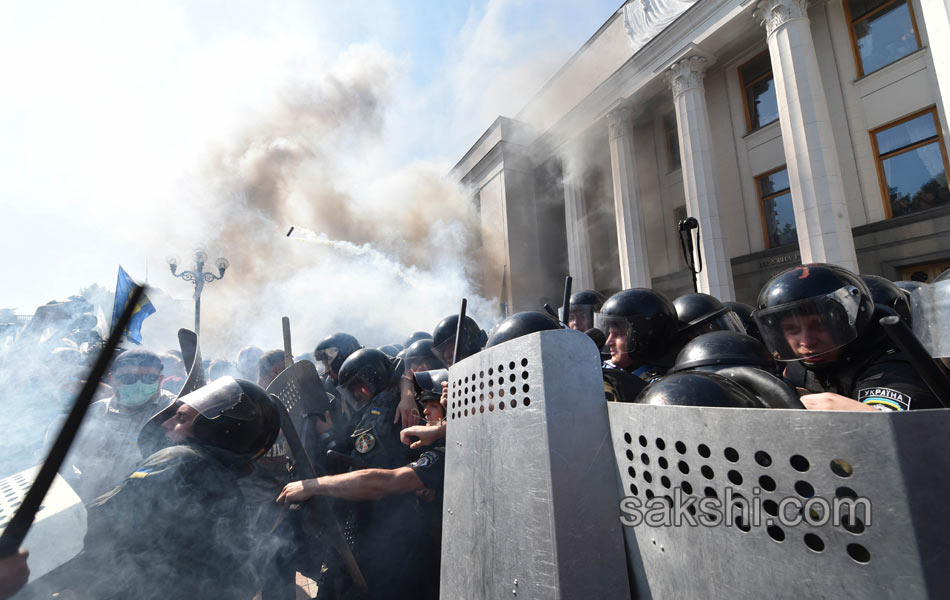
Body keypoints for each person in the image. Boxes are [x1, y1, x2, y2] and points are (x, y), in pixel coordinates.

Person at [28, 377, 281, 600]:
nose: (166, 423)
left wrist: (30, 560)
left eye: (181, 418)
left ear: (217, 429)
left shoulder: (180, 459)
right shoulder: (224, 474)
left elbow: (100, 522)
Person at [278, 368, 446, 600]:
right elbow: (400, 369)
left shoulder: (444, 454)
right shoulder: (434, 444)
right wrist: (410, 394)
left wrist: (314, 485)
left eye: (436, 405)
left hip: (425, 561)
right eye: (423, 404)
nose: (424, 411)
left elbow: (382, 482)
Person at [754, 263, 942, 411]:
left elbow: (905, 432)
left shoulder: (895, 366)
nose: (806, 341)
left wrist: (863, 416)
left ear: (851, 319)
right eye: (791, 329)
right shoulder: (796, 368)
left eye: (818, 325)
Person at [50, 348, 175, 502]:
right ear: (112, 379)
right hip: (88, 504)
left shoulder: (173, 414)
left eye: (149, 378)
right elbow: (63, 463)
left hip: (138, 508)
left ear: (160, 380)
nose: (139, 384)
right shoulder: (94, 412)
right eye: (128, 378)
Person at [595, 288, 680, 382]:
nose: (608, 342)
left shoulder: (664, 384)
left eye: (618, 334)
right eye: (609, 333)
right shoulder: (606, 371)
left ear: (644, 337)